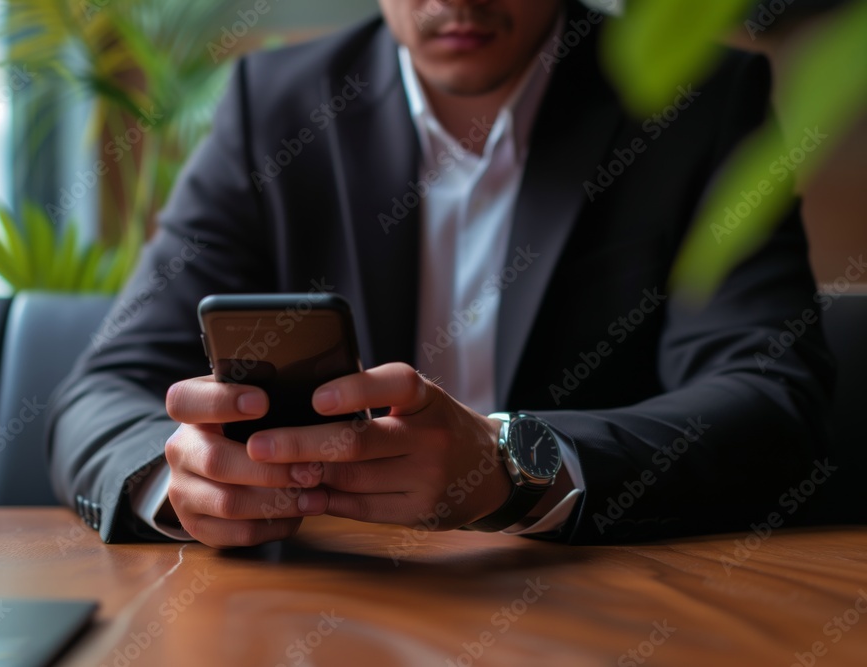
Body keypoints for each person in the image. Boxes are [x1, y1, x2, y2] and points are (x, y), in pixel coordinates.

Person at [46, 0, 834, 548]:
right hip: (324, 596)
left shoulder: (695, 102)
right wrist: (177, 482)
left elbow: (771, 399)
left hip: (596, 594)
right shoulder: (276, 106)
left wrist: (514, 471)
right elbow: (102, 391)